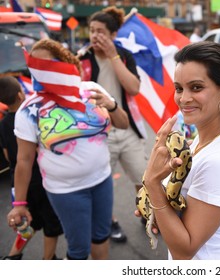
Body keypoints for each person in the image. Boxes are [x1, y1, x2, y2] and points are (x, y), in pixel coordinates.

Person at [137, 41, 220, 259]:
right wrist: (157, 210)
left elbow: (184, 250)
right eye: (179, 88)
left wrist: (152, 184)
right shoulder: (202, 140)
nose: (184, 98)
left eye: (196, 87)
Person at [6, 38, 130, 260]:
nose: (45, 71)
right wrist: (19, 204)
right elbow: (23, 161)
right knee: (79, 249)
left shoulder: (91, 89)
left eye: (51, 63)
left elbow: (123, 124)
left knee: (101, 238)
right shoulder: (29, 110)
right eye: (37, 66)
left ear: (64, 61)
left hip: (101, 180)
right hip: (65, 191)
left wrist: (111, 105)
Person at [79, 6, 148, 243]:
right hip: (98, 133)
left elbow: (134, 88)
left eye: (100, 31)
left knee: (143, 176)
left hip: (127, 128)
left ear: (112, 34)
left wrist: (113, 55)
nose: (95, 35)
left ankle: (145, 211)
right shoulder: (83, 58)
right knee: (101, 181)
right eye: (92, 30)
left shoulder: (124, 55)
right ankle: (110, 222)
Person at [0, 76, 63, 260]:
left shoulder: (3, 125)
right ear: (21, 94)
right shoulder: (30, 118)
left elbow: (7, 156)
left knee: (29, 223)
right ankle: (48, 260)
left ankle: (12, 257)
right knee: (52, 225)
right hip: (40, 180)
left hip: (18, 183)